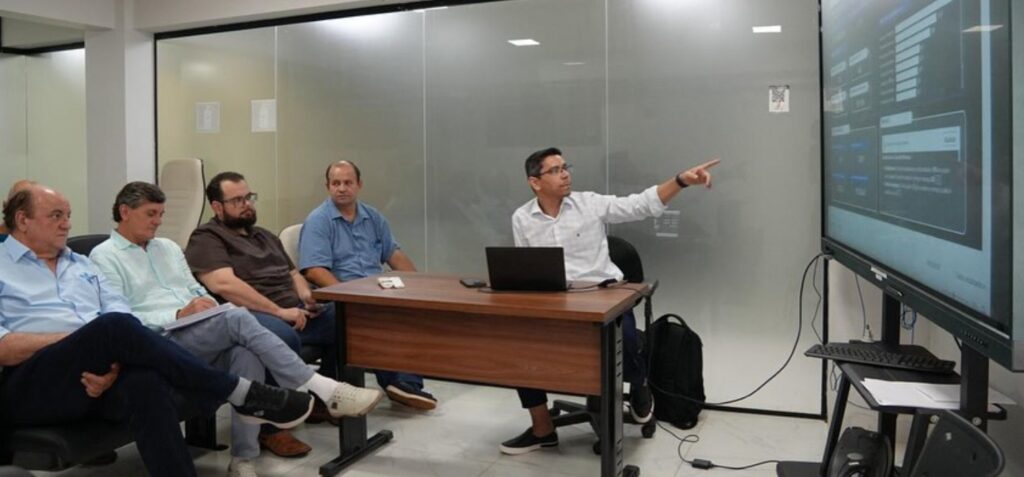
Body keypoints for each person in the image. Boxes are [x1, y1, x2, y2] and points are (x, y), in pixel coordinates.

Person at [0, 184, 314, 477]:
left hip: (98, 373)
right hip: (33, 381)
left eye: (68, 216)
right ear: (23, 220)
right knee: (111, 327)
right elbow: (4, 348)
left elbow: (122, 316)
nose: (67, 224)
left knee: (144, 383)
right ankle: (237, 390)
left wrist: (112, 364)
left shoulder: (79, 263)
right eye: (56, 216)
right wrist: (88, 342)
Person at [90, 182, 384, 476]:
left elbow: (194, 288)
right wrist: (178, 313)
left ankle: (243, 459)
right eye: (151, 214)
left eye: (161, 214)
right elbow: (121, 320)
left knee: (247, 354)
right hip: (158, 339)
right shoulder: (104, 256)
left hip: (196, 328)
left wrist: (204, 303)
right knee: (237, 317)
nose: (158, 221)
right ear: (124, 212)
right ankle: (325, 389)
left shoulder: (167, 248)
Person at [500, 147, 719, 455]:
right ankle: (542, 428)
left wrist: (681, 181)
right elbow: (527, 269)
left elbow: (641, 204)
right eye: (555, 170)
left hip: (604, 297)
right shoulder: (522, 218)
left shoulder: (589, 203)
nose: (565, 174)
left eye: (566, 167)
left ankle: (639, 383)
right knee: (518, 349)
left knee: (624, 342)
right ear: (535, 182)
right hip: (556, 304)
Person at [185, 172, 344, 424]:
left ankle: (324, 399)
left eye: (249, 197)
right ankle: (273, 426)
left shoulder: (264, 236)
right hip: (255, 315)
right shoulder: (206, 238)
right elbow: (224, 284)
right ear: (217, 207)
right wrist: (279, 312)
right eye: (237, 200)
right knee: (281, 334)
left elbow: (293, 273)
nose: (247, 204)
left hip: (296, 311)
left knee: (346, 316)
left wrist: (306, 296)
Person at [299, 160, 438, 410]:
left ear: (359, 185)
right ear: (328, 186)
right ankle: (398, 381)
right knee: (368, 315)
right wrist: (350, 295)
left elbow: (394, 254)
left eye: (348, 182)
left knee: (406, 311)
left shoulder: (373, 217)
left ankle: (406, 382)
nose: (342, 188)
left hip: (375, 292)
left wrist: (417, 285)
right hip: (339, 298)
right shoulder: (318, 220)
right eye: (336, 183)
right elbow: (314, 270)